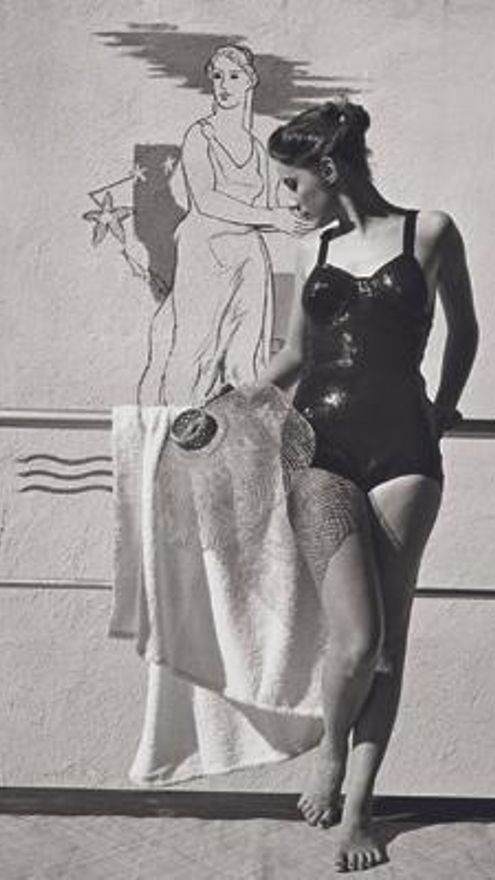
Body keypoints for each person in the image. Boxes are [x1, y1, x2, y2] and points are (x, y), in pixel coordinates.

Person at [257, 100, 479, 871]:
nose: (289, 199)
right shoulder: (311, 250)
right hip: (318, 445)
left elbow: (464, 328)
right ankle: (329, 751)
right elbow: (293, 354)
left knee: (388, 641)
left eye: (293, 183)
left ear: (327, 169)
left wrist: (445, 404)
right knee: (355, 639)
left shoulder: (430, 231)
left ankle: (358, 810)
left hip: (405, 451)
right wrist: (232, 402)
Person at [140, 44, 312, 406]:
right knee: (196, 349)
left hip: (247, 254)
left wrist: (298, 214)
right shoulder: (200, 136)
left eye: (233, 76)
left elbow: (267, 206)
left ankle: (242, 434)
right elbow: (207, 199)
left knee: (247, 355)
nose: (224, 84)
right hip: (205, 251)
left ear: (250, 81)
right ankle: (179, 428)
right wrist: (273, 217)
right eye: (217, 76)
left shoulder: (257, 149)